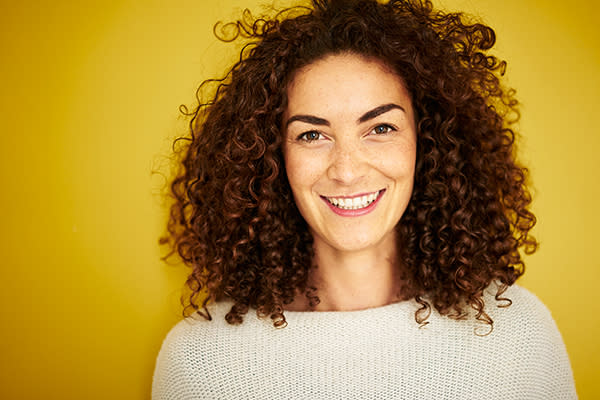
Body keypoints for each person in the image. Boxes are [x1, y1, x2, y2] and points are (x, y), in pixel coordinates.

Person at [152, 0, 577, 398]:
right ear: (273, 156)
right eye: (312, 135)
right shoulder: (201, 363)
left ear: (425, 140)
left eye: (381, 128)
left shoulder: (518, 335)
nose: (348, 170)